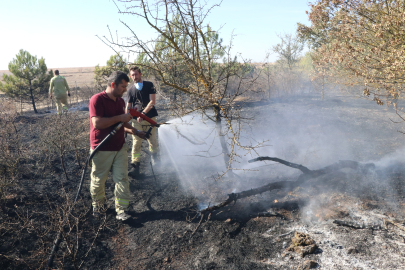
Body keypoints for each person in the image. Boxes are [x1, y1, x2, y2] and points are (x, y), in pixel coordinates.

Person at [89, 70, 147, 221]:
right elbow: (97, 123)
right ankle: (99, 207)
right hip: (102, 148)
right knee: (98, 180)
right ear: (113, 85)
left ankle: (121, 210)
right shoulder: (97, 100)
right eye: (122, 86)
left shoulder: (120, 102)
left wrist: (134, 131)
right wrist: (120, 117)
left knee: (122, 178)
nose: (125, 90)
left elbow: (121, 124)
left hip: (119, 147)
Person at [126, 66, 159, 177]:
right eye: (132, 75)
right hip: (137, 121)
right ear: (131, 76)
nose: (134, 77)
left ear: (140, 74)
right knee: (136, 143)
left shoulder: (149, 85)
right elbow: (129, 106)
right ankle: (135, 167)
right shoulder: (130, 90)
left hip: (150, 118)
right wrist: (126, 118)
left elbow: (152, 101)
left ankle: (156, 163)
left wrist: (143, 114)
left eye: (136, 74)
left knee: (153, 141)